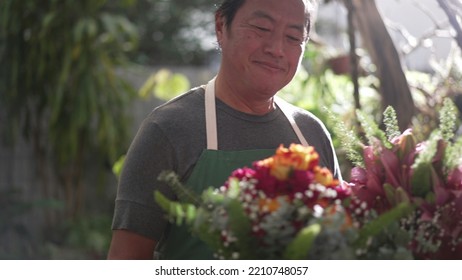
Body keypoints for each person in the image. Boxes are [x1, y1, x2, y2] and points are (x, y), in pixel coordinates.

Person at [107, 0, 342, 260]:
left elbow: (341, 246)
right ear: (221, 26)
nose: (276, 49)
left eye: (293, 36)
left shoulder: (312, 133)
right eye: (262, 28)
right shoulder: (168, 130)